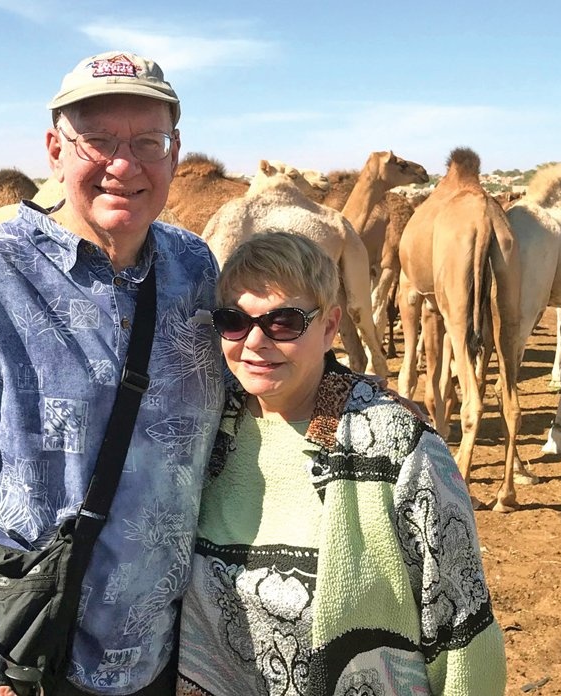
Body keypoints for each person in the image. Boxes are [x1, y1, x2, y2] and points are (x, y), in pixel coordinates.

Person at [0, 51, 224, 696]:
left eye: (147, 141)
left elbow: (270, 376)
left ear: (175, 152)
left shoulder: (194, 268)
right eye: (98, 141)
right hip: (18, 656)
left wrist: (360, 403)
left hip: (165, 657)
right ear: (56, 149)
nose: (124, 163)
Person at [176, 232, 507, 696]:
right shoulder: (203, 429)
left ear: (330, 327)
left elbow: (461, 633)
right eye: (234, 320)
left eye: (284, 322)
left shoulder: (397, 446)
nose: (254, 342)